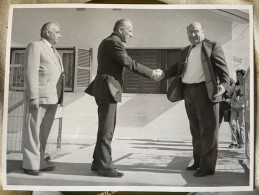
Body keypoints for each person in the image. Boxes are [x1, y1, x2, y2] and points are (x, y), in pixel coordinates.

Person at [85, 19, 161, 177]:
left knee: (106, 127)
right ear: (120, 29)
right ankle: (105, 167)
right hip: (107, 88)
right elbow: (129, 63)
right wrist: (151, 73)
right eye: (130, 31)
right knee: (107, 129)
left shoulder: (110, 41)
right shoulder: (114, 42)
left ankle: (97, 162)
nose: (132, 35)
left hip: (105, 87)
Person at [156, 22, 230, 177]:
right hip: (188, 92)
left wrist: (223, 86)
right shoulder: (185, 50)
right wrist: (163, 74)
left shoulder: (213, 46)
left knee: (208, 131)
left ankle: (207, 167)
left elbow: (223, 71)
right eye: (189, 32)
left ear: (203, 31)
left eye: (196, 31)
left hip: (206, 93)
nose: (192, 35)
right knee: (195, 130)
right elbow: (176, 68)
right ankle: (197, 161)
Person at [22, 22, 64, 176]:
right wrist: (33, 96)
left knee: (43, 133)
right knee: (32, 132)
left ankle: (40, 161)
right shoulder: (35, 46)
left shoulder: (53, 50)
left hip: (53, 98)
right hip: (39, 97)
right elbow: (30, 72)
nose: (60, 35)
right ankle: (30, 165)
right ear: (47, 32)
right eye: (57, 32)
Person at [229, 69, 246, 149]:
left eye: (240, 75)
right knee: (232, 124)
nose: (238, 77)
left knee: (241, 126)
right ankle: (234, 142)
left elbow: (248, 97)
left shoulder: (247, 85)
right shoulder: (235, 85)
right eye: (237, 75)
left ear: (243, 76)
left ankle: (242, 143)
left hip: (242, 108)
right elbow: (231, 93)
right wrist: (232, 99)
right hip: (234, 107)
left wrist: (240, 99)